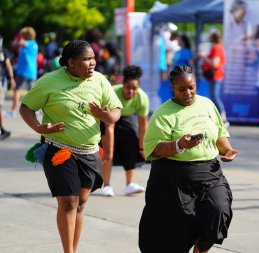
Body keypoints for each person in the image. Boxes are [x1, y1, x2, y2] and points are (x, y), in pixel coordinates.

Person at [19, 40, 122, 253]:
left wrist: (106, 115)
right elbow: (26, 107)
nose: (92, 63)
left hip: (90, 151)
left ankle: (73, 249)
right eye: (86, 59)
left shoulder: (100, 81)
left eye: (93, 58)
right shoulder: (49, 81)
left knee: (81, 203)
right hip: (59, 150)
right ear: (71, 63)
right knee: (68, 203)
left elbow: (115, 112)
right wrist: (39, 128)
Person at [139, 66, 237, 253]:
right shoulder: (163, 114)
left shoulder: (207, 104)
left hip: (210, 172)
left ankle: (201, 249)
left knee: (218, 211)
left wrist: (227, 150)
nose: (188, 93)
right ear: (173, 88)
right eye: (181, 89)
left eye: (191, 87)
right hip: (175, 178)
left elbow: (219, 134)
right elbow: (153, 149)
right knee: (177, 231)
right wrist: (179, 145)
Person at [100, 65, 149, 197]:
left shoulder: (142, 98)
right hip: (108, 117)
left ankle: (130, 184)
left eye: (134, 89)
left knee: (132, 144)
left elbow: (143, 125)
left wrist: (142, 147)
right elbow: (109, 124)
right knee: (108, 153)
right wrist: (109, 149)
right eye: (128, 88)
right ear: (123, 85)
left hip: (126, 117)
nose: (131, 92)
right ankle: (106, 185)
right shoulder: (113, 93)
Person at [200, 30, 228, 124]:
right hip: (214, 76)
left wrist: (204, 57)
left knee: (215, 97)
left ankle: (223, 116)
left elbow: (214, 64)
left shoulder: (216, 48)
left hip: (215, 76)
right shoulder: (218, 47)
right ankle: (218, 116)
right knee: (213, 97)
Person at [10, 27, 38, 116]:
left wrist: (18, 36)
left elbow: (19, 42)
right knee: (32, 92)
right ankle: (36, 111)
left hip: (23, 71)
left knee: (16, 90)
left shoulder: (27, 43)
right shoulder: (34, 44)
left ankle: (14, 111)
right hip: (32, 71)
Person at [0, 36, 16, 140]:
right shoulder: (3, 51)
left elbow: (8, 65)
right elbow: (8, 65)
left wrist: (11, 79)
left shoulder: (3, 52)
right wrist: (11, 79)